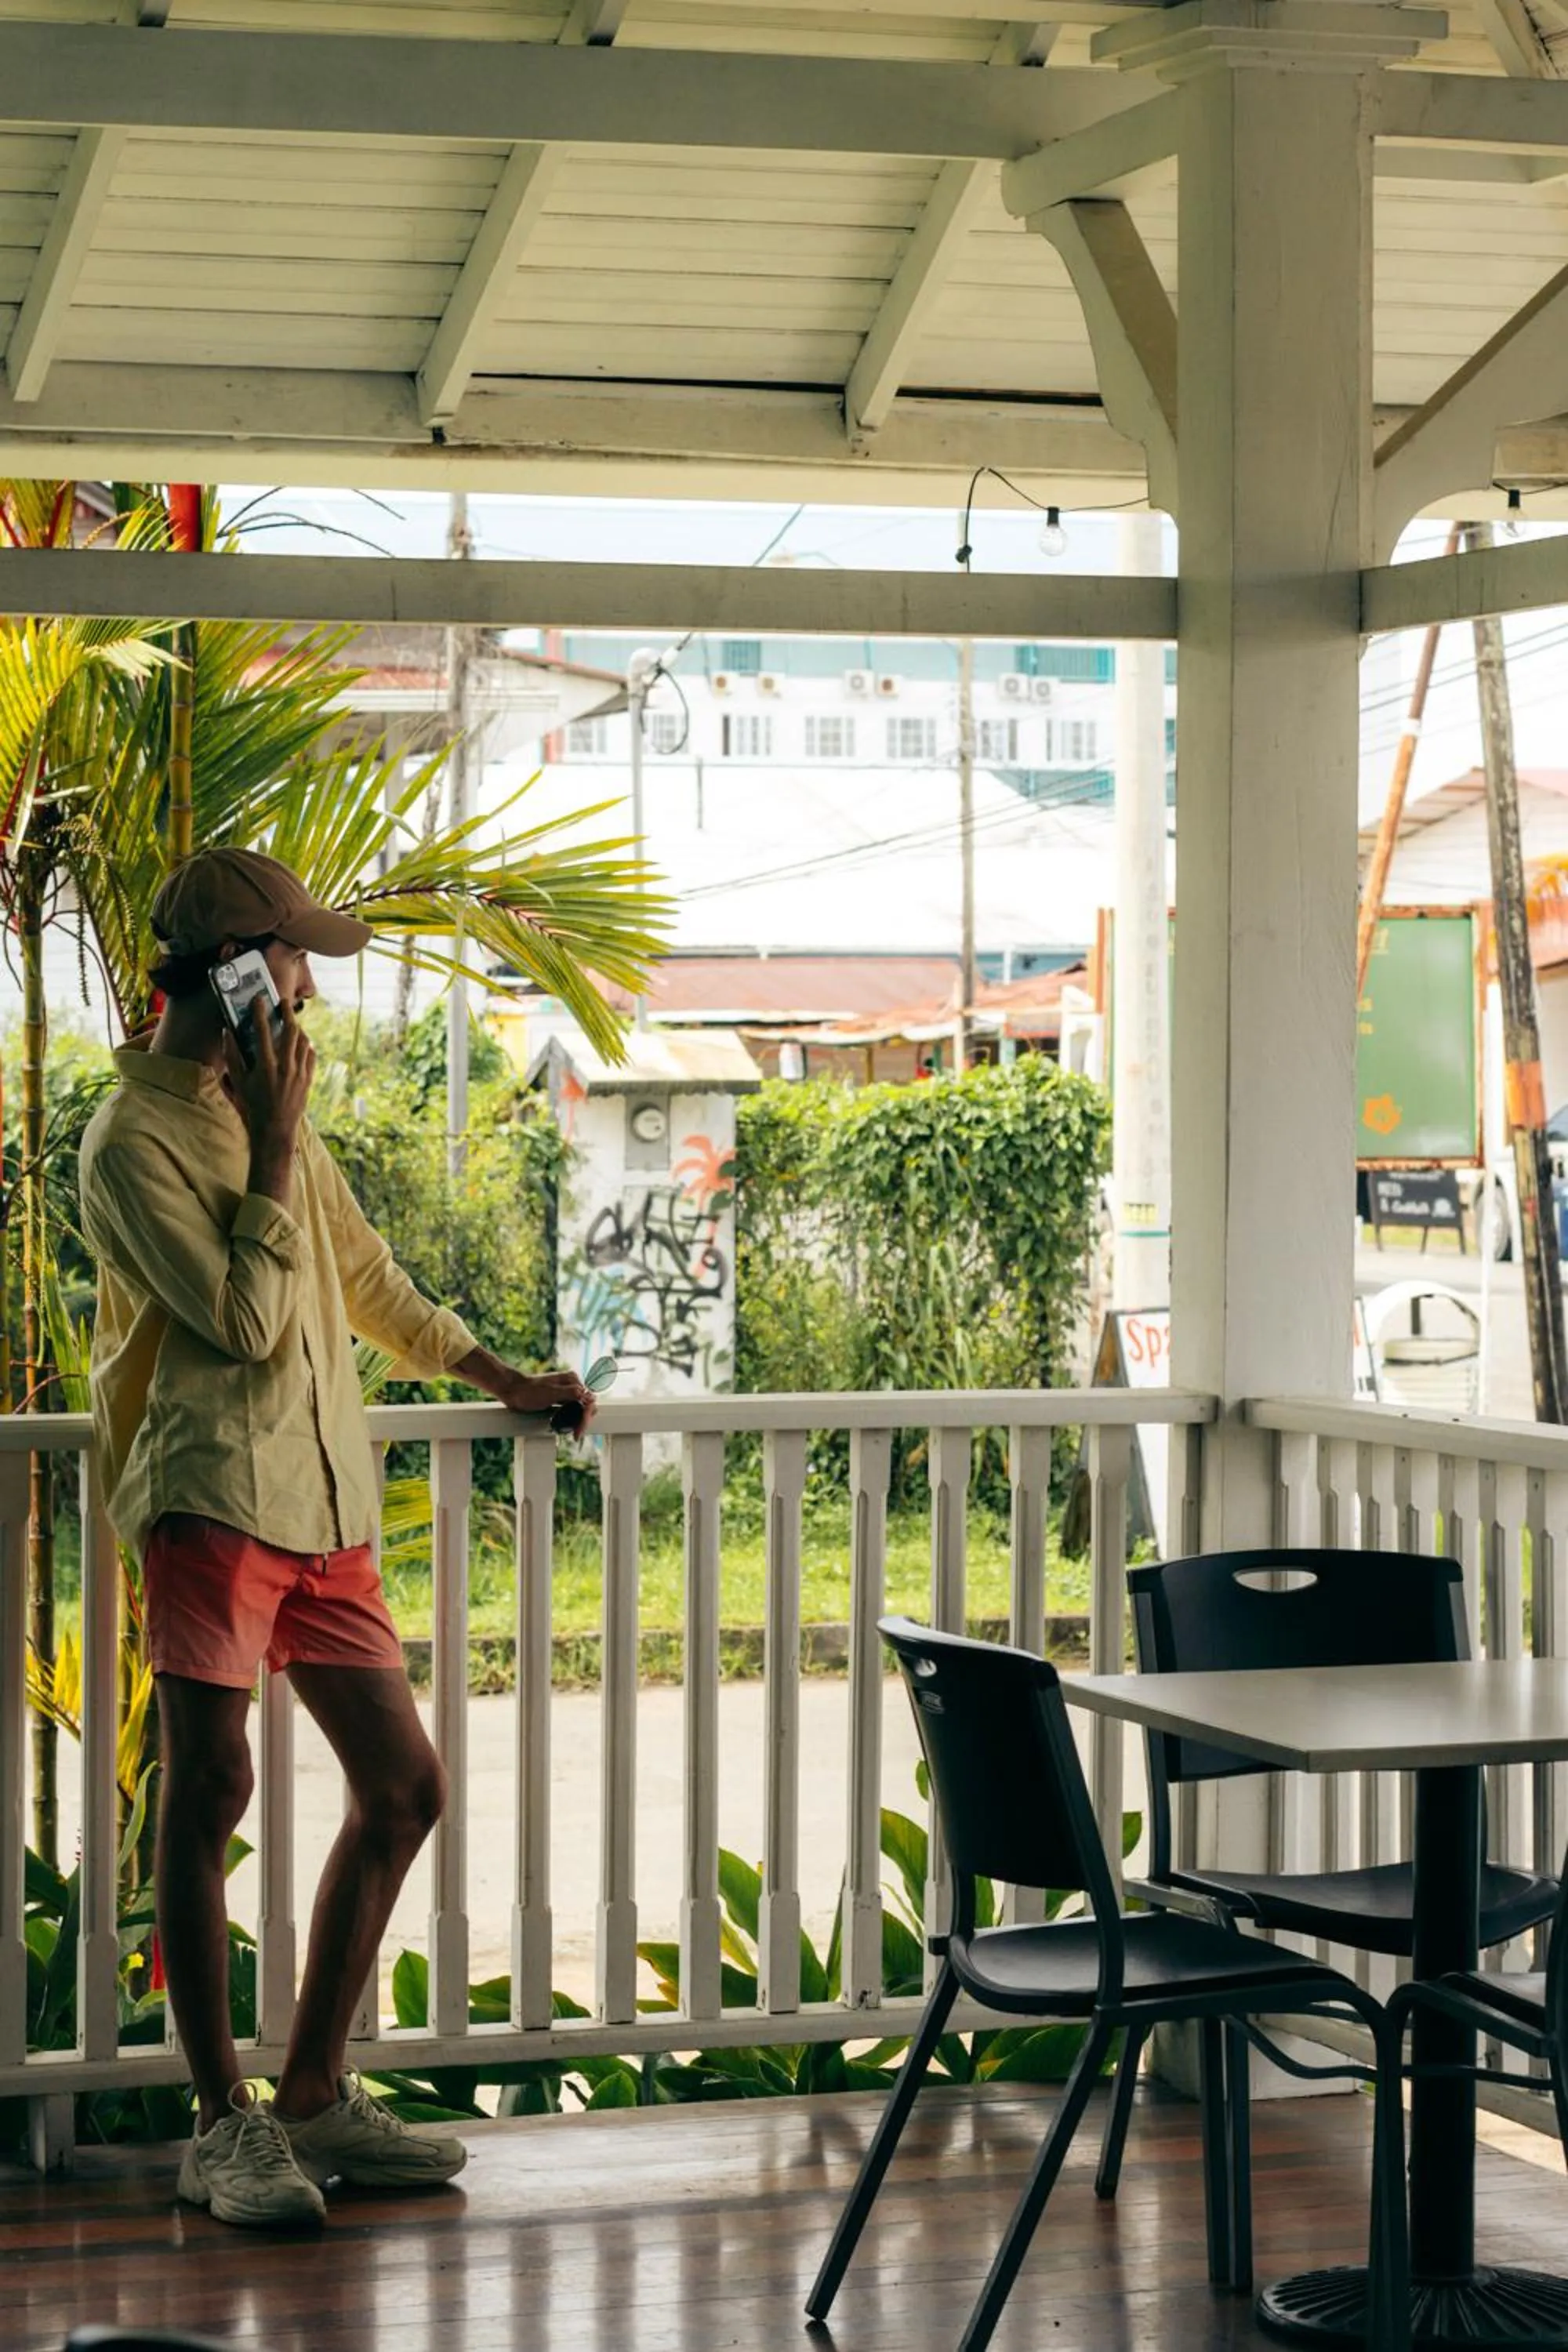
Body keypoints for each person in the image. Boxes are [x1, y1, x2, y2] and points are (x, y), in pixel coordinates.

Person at [78, 848, 594, 2228]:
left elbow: (361, 1282)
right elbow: (242, 1326)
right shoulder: (131, 1143)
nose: (310, 983)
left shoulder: (277, 1115)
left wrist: (503, 1377)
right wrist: (275, 1140)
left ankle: (312, 2090)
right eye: (296, 957)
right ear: (240, 978)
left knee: (404, 1788)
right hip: (206, 1503)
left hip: (325, 1510)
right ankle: (219, 2121)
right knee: (210, 1795)